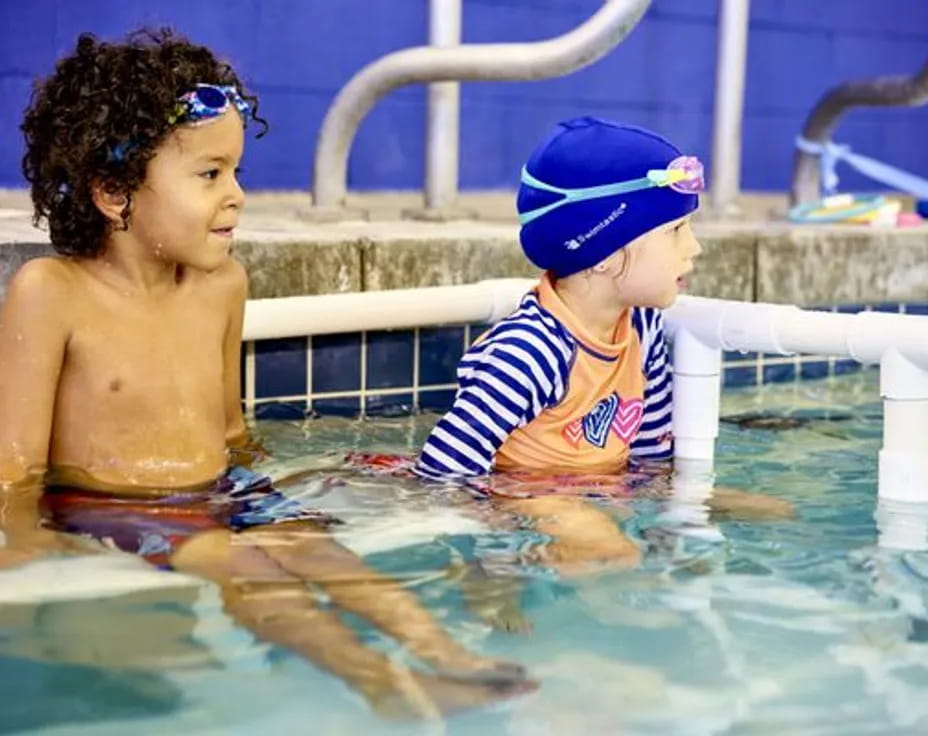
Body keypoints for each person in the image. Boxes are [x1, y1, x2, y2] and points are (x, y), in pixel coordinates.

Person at [0, 28, 531, 718]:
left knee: (322, 550)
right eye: (208, 174)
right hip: (118, 509)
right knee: (247, 569)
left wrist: (278, 485)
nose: (237, 196)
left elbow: (228, 426)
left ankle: (452, 657)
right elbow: (14, 464)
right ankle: (384, 685)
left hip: (221, 490)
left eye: (237, 173)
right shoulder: (53, 293)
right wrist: (24, 540)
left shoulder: (222, 286)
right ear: (113, 191)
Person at [413, 117, 792, 577]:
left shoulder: (643, 328)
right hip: (523, 492)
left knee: (774, 513)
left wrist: (669, 516)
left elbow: (652, 455)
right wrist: (494, 553)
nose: (694, 248)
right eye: (676, 230)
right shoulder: (530, 351)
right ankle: (617, 634)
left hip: (603, 484)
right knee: (614, 554)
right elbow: (441, 472)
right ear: (607, 252)